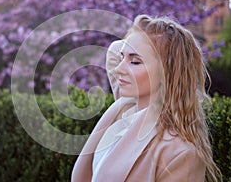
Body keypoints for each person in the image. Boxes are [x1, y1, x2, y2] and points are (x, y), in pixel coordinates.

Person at [71, 15, 222, 182]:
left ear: (166, 72)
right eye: (123, 58)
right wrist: (141, 32)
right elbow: (114, 50)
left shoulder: (178, 153)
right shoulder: (125, 111)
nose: (118, 69)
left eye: (134, 62)